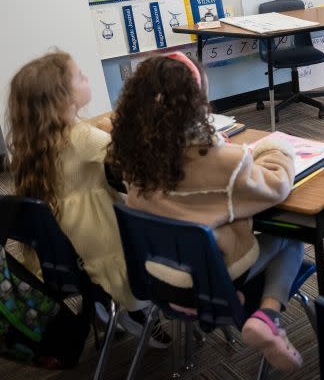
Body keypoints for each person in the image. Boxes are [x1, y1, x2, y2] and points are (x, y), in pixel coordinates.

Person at [106, 53, 306, 372]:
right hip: (211, 280)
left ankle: (251, 313)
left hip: (155, 276)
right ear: (196, 103)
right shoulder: (223, 161)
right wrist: (275, 149)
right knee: (290, 240)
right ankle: (267, 315)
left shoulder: (131, 156)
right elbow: (276, 185)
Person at [5, 51, 170, 347]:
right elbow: (133, 153)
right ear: (63, 99)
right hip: (105, 243)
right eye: (80, 75)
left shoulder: (32, 143)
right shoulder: (80, 136)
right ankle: (136, 311)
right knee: (155, 222)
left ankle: (101, 307)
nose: (87, 77)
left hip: (69, 253)